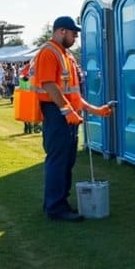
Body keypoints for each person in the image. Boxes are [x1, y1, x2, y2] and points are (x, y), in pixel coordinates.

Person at [33, 16, 113, 222]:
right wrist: (67, 111)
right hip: (56, 112)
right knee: (59, 161)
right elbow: (50, 85)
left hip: (64, 112)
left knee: (66, 162)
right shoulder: (49, 52)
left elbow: (74, 94)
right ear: (61, 31)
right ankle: (56, 208)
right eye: (73, 32)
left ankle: (58, 202)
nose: (76, 36)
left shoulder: (65, 55)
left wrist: (96, 110)